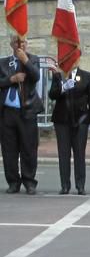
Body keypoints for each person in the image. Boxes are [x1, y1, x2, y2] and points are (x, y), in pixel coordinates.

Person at [0, 35, 40, 194]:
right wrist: (12, 79)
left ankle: (29, 181)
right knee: (9, 150)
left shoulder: (33, 59)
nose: (20, 44)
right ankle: (13, 182)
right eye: (17, 42)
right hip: (7, 113)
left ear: (26, 44)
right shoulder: (3, 62)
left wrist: (25, 61)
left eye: (23, 42)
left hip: (27, 111)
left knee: (29, 148)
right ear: (12, 44)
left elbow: (35, 76)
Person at [49, 64, 90, 195]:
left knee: (79, 153)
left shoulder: (86, 76)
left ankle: (80, 185)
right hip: (62, 120)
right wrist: (63, 88)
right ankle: (65, 185)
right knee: (63, 154)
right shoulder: (59, 75)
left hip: (81, 119)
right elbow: (52, 94)